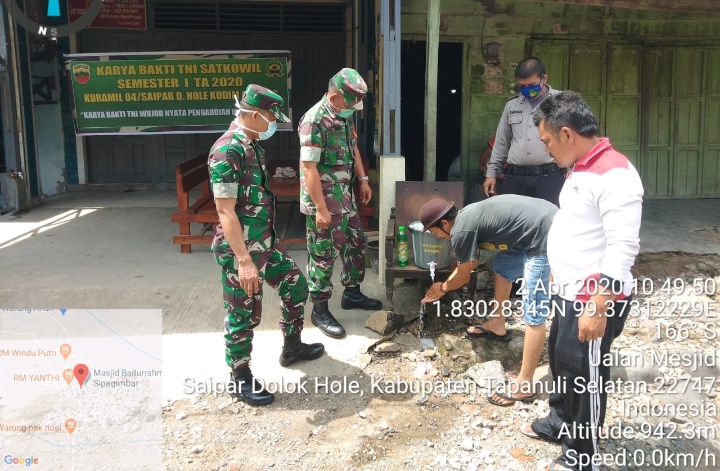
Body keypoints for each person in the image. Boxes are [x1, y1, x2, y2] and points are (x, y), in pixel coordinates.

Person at [523, 91, 643, 471]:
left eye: (547, 142)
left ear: (568, 134)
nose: (547, 150)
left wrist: (598, 305)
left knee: (584, 375)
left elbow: (624, 247)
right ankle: (560, 420)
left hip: (593, 299)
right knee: (562, 360)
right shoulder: (582, 166)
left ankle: (581, 452)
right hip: (569, 292)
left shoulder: (615, 174)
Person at [209, 84, 324, 407]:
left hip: (265, 243)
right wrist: (244, 261)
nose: (274, 122)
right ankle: (240, 376)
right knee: (242, 314)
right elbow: (225, 210)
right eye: (272, 116)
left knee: (296, 286)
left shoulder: (252, 145)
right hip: (240, 251)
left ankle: (292, 346)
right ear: (254, 115)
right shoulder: (227, 150)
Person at [417, 195, 558, 406]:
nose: (437, 237)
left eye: (434, 231)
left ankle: (524, 385)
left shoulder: (461, 231)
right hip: (539, 223)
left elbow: (465, 273)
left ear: (445, 223)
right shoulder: (466, 217)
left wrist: (442, 288)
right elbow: (471, 262)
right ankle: (497, 323)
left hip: (546, 235)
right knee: (502, 265)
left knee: (534, 310)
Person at [298, 68, 382, 339]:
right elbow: (308, 169)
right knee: (323, 255)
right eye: (352, 101)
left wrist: (363, 179)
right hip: (323, 202)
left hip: (345, 197)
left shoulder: (343, 115)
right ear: (335, 97)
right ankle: (320, 308)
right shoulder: (314, 120)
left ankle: (352, 294)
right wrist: (321, 209)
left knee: (357, 244)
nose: (356, 107)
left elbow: (353, 147)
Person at [483, 57, 564, 205]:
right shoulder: (512, 105)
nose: (527, 89)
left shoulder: (561, 102)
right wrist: (491, 174)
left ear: (544, 78)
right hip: (515, 178)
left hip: (549, 177)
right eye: (522, 86)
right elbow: (502, 142)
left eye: (532, 84)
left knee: (548, 222)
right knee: (514, 222)